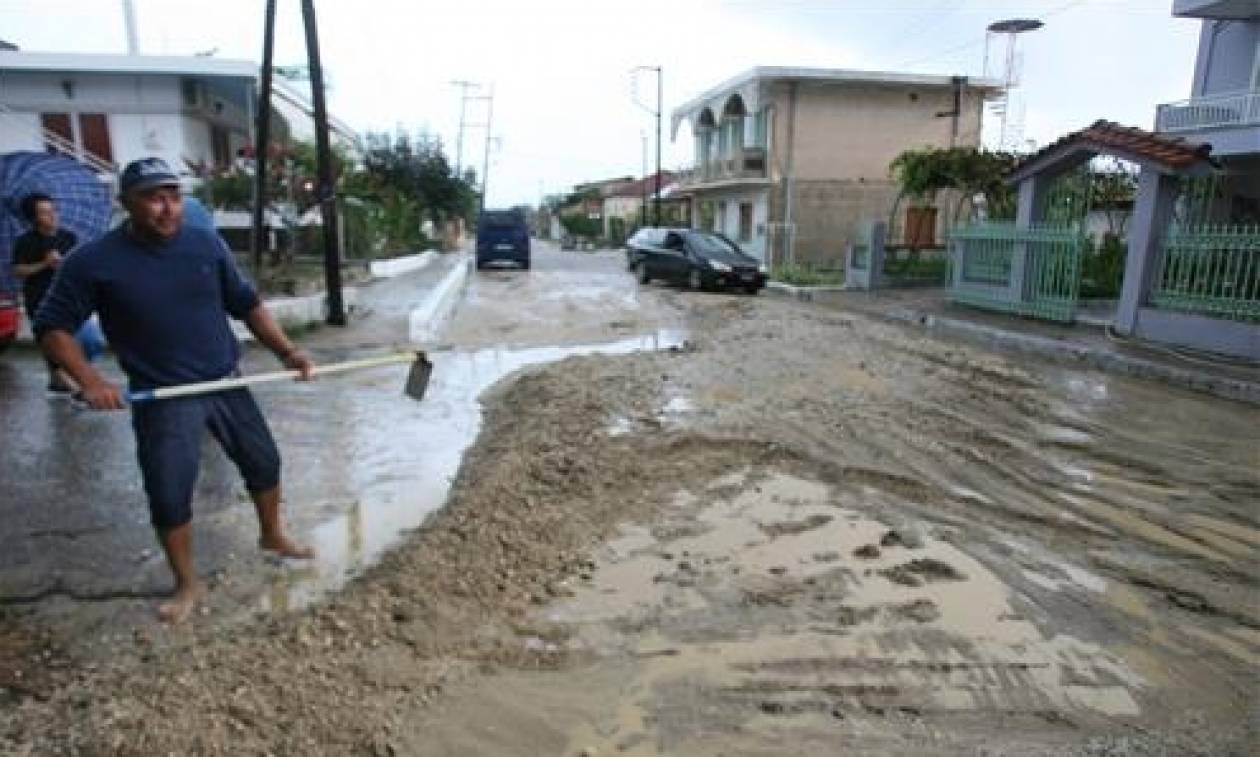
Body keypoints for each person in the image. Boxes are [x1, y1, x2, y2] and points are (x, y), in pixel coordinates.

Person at [34, 157, 315, 624]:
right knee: (169, 492)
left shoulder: (205, 242)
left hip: (227, 381)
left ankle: (272, 534)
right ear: (126, 203)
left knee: (264, 462)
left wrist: (289, 352)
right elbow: (52, 328)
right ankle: (187, 581)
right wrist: (92, 382)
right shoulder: (94, 261)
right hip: (164, 397)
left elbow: (246, 304)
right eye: (153, 198)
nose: (167, 208)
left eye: (173, 195)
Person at [10, 193, 106, 395]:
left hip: (71, 297)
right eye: (45, 213)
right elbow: (18, 270)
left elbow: (79, 266)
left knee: (92, 339)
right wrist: (44, 264)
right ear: (34, 217)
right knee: (54, 341)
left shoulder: (67, 237)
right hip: (40, 298)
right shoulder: (25, 241)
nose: (52, 216)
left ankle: (75, 373)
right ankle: (66, 382)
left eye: (53, 210)